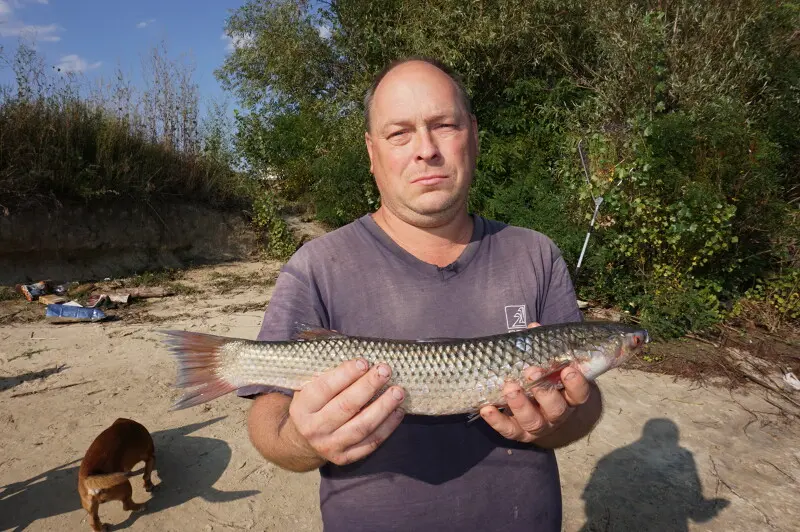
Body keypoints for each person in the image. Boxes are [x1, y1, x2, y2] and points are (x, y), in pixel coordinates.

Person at [241, 57, 604, 531]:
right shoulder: (317, 265)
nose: (425, 150)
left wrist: (562, 417)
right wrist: (303, 442)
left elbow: (584, 403)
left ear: (473, 135)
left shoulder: (535, 253)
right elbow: (267, 416)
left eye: (444, 125)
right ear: (372, 153)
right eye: (400, 133)